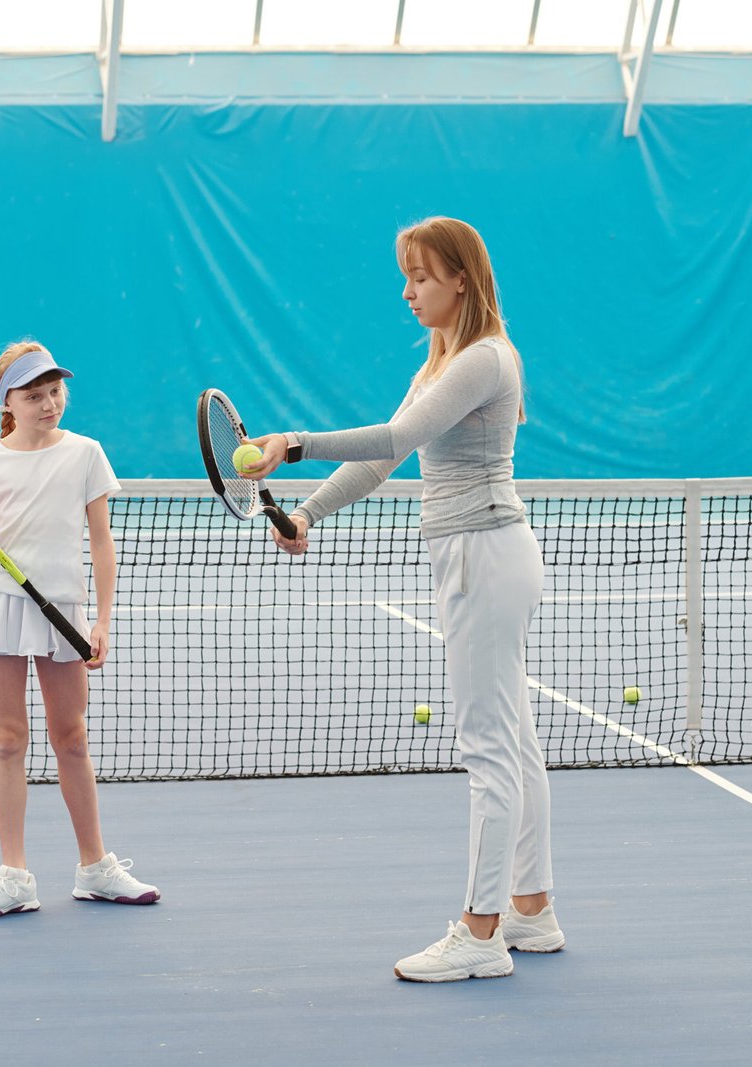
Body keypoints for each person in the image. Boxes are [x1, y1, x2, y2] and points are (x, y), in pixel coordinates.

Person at [242, 217, 563, 981]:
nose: (409, 290)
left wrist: (294, 442)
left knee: (487, 748)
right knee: (514, 741)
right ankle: (531, 909)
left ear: (461, 279)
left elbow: (392, 437)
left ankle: (481, 933)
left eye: (421, 275)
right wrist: (309, 512)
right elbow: (392, 459)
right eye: (406, 276)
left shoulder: (485, 358)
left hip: (482, 556)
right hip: (477, 553)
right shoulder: (443, 362)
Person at [0, 339, 159, 919]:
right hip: (1, 607)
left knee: (72, 739)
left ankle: (96, 868)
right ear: (8, 402)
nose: (49, 403)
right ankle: (14, 877)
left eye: (55, 391)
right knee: (8, 740)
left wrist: (103, 620)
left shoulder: (86, 454)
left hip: (64, 611)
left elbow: (102, 543)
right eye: (34, 395)